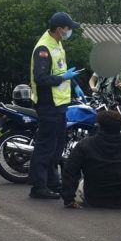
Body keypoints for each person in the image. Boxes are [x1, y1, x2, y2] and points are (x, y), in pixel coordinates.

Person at [28, 12, 82, 200]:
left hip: (60, 104)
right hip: (48, 104)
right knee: (45, 146)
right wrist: (63, 78)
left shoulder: (58, 44)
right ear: (60, 29)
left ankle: (53, 183)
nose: (70, 32)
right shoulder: (43, 48)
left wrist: (74, 84)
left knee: (57, 145)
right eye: (68, 28)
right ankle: (38, 187)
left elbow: (60, 70)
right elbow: (41, 78)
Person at [60, 110, 121, 209]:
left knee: (82, 181)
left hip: (94, 199)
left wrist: (68, 199)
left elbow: (70, 171)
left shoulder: (84, 145)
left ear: (99, 125)